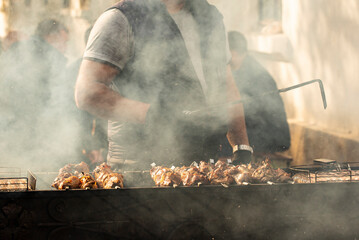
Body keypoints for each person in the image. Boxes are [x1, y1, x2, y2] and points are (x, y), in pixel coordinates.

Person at [75, 0, 252, 171]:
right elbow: (86, 93)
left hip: (201, 167)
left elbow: (226, 85)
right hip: (136, 169)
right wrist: (157, 115)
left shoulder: (210, 17)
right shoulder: (120, 18)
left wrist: (241, 147)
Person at [0, 19, 74, 169]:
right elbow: (59, 101)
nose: (65, 48)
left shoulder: (15, 49)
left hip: (8, 132)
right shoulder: (52, 57)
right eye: (64, 42)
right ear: (53, 37)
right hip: (35, 135)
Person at [225, 31, 290, 155]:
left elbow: (250, 114)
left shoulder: (258, 77)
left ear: (240, 53)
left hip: (272, 138)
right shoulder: (237, 69)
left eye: (230, 56)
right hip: (255, 132)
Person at [66, 26, 108, 169]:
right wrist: (92, 145)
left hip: (104, 145)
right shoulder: (78, 70)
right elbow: (78, 113)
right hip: (87, 148)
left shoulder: (110, 68)